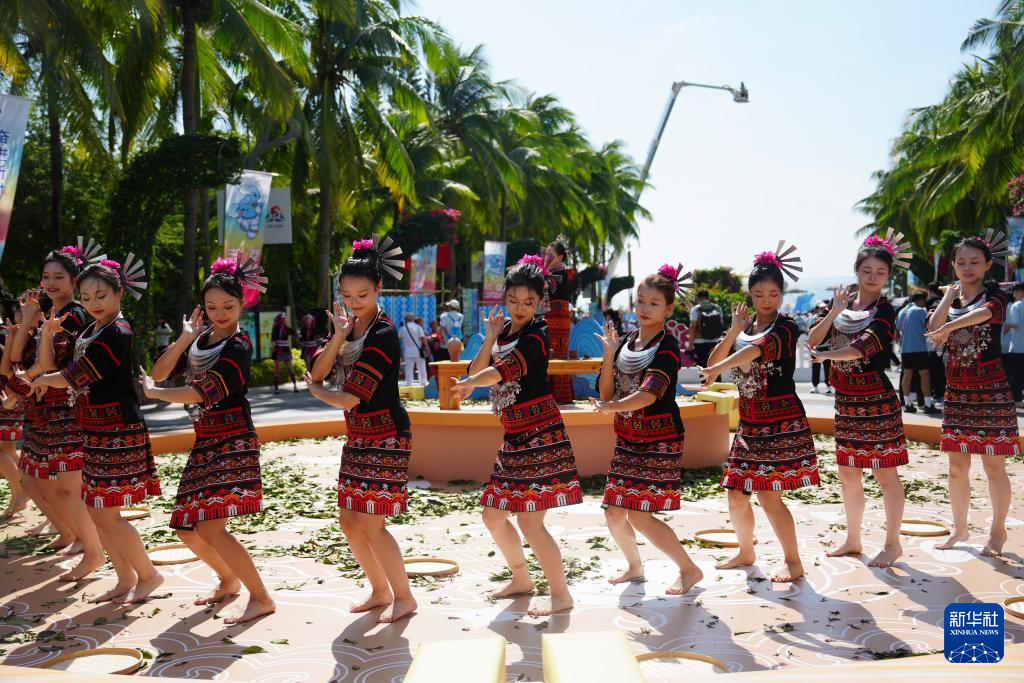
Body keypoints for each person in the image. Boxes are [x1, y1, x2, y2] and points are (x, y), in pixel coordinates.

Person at [142, 255, 275, 624]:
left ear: (242, 303)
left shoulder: (239, 346)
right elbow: (160, 371)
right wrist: (185, 337)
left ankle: (261, 597)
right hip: (205, 441)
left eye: (228, 306)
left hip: (232, 440)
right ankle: (228, 580)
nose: (220, 313)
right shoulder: (200, 339)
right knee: (186, 525)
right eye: (212, 306)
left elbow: (202, 392)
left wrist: (156, 394)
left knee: (212, 527)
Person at [451, 254, 583, 616]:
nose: (520, 308)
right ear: (504, 298)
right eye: (512, 300)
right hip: (514, 438)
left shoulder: (537, 336)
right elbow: (477, 367)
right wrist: (490, 337)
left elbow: (502, 372)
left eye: (528, 302)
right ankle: (521, 579)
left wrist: (471, 383)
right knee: (493, 515)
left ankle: (561, 594)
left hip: (541, 437)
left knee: (530, 522)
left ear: (540, 302)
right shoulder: (505, 331)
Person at [31, 256, 163, 603]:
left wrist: (44, 379)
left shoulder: (118, 331)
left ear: (120, 292)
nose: (93, 304)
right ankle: (125, 578)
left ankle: (148, 575)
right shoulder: (93, 329)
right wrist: (47, 339)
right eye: (87, 298)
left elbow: (79, 374)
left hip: (117, 429)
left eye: (101, 296)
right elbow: (60, 367)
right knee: (97, 511)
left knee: (106, 513)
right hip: (94, 429)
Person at [307, 235, 417, 624]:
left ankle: (404, 596)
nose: (354, 302)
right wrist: (339, 335)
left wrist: (318, 392)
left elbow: (351, 397)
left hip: (387, 436)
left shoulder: (383, 333)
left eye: (363, 295)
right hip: (358, 437)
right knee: (349, 521)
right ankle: (380, 590)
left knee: (371, 523)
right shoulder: (348, 327)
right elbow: (317, 369)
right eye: (347, 295)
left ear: (379, 289)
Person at [698, 243, 817, 582]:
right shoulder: (745, 327)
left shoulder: (787, 326)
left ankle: (793, 561)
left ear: (782, 294)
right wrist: (734, 330)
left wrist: (718, 367)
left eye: (774, 294)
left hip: (780, 420)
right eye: (759, 293)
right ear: (749, 293)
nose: (766, 300)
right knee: (736, 493)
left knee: (768, 494)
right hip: (750, 422)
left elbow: (755, 351)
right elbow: (714, 360)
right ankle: (746, 551)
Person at [591, 264, 703, 595]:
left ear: (668, 309)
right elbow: (606, 393)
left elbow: (649, 394)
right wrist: (609, 355)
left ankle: (689, 569)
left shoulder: (667, 347)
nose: (645, 308)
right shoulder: (626, 342)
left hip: (660, 439)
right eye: (641, 301)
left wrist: (611, 408)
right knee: (614, 512)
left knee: (639, 515)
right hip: (628, 437)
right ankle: (634, 566)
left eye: (654, 303)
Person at [807, 232, 910, 568]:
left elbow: (864, 346)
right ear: (856, 270)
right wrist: (833, 311)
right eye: (867, 270)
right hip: (846, 402)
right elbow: (813, 339)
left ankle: (892, 544)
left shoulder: (886, 310)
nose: (872, 276)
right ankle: (853, 539)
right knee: (849, 474)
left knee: (885, 474)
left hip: (877, 401)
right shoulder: (843, 305)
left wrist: (826, 356)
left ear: (888, 275)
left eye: (880, 272)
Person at [11, 243, 105, 581]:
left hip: (69, 407)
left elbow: (65, 366)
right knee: (56, 485)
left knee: (69, 487)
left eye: (59, 277)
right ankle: (84, 543)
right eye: (46, 276)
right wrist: (27, 322)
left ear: (75, 280)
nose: (51, 282)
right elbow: (22, 359)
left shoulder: (77, 315)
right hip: (49, 407)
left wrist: (34, 375)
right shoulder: (52, 313)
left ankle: (93, 551)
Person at [925, 233, 1018, 557]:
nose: (967, 267)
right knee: (956, 468)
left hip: (991, 389)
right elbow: (933, 325)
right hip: (957, 391)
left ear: (988, 264)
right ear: (953, 265)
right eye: (961, 262)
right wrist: (949, 298)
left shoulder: (997, 295)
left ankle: (997, 530)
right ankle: (960, 527)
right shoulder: (947, 299)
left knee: (993, 466)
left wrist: (948, 328)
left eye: (974, 262)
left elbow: (984, 315)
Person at [897, 291, 938, 413]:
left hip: (905, 349)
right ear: (922, 300)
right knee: (924, 376)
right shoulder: (920, 311)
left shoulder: (902, 311)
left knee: (907, 376)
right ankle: (928, 405)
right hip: (919, 348)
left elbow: (897, 330)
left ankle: (907, 404)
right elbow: (930, 326)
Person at [544, 238, 574, 404]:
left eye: (551, 254)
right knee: (548, 354)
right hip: (549, 319)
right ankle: (548, 395)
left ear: (560, 257)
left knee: (559, 354)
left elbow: (548, 288)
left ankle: (561, 396)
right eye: (546, 254)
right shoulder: (548, 272)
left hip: (559, 322)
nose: (547, 257)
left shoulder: (560, 272)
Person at [687, 289, 724, 368]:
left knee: (702, 366)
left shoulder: (696, 309)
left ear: (698, 298)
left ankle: (704, 377)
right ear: (708, 297)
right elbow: (721, 323)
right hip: (715, 341)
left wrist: (690, 345)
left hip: (700, 342)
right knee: (715, 365)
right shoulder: (717, 308)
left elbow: (693, 327)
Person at [1002, 282, 1024, 404]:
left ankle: (1017, 399)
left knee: (1015, 375)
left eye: (1016, 292)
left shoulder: (1017, 305)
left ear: (1021, 292)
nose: (1014, 295)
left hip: (1017, 346)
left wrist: (1005, 329)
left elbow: (1015, 323)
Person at [271, 313, 298, 394]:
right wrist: (274, 347)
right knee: (277, 370)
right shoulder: (275, 328)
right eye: (284, 318)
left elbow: (295, 333)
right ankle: (276, 388)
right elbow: (273, 340)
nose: (285, 319)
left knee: (290, 368)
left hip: (286, 349)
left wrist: (299, 337)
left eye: (285, 318)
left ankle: (295, 386)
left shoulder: (287, 328)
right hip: (278, 350)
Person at [809, 302, 832, 395]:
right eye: (820, 308)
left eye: (824, 308)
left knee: (828, 367)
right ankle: (815, 386)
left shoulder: (829, 318)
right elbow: (809, 331)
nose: (822, 309)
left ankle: (828, 386)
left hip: (827, 346)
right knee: (815, 367)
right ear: (817, 308)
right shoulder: (813, 318)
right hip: (815, 347)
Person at [400, 313, 428, 386]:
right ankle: (423, 382)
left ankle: (409, 383)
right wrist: (427, 348)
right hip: (418, 351)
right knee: (421, 367)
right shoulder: (418, 327)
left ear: (405, 320)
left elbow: (398, 339)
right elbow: (423, 338)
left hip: (407, 352)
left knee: (408, 368)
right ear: (412, 319)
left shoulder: (402, 328)